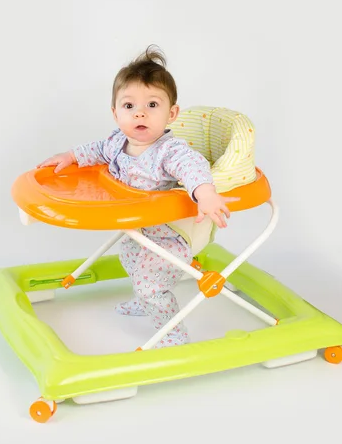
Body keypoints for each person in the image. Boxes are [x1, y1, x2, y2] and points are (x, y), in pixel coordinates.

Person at [37, 46, 237, 347]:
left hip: (173, 233)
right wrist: (71, 156)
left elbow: (192, 166)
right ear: (116, 113)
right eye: (129, 106)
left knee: (151, 283)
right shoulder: (118, 141)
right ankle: (143, 302)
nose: (140, 113)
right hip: (141, 227)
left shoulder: (170, 151)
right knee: (129, 258)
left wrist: (205, 192)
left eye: (152, 105)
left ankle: (173, 332)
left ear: (172, 113)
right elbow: (97, 150)